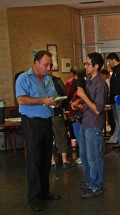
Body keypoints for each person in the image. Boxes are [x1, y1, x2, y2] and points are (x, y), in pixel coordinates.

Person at [15, 50, 61, 212]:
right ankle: (33, 197)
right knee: (34, 160)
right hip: (32, 123)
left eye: (50, 65)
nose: (48, 68)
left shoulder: (48, 80)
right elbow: (21, 99)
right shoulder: (24, 78)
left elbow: (53, 99)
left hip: (46, 122)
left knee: (46, 157)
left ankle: (44, 192)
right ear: (36, 62)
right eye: (46, 65)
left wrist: (56, 103)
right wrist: (42, 100)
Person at [71, 52, 108, 199]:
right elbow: (87, 98)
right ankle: (90, 181)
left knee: (94, 157)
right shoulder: (89, 80)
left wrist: (82, 96)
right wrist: (78, 101)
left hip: (94, 124)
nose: (85, 66)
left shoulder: (101, 85)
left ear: (96, 66)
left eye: (87, 64)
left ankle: (96, 186)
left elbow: (98, 109)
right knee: (85, 156)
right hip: (85, 122)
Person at [49, 72, 72, 169]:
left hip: (44, 115)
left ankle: (52, 162)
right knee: (61, 136)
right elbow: (65, 96)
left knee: (48, 139)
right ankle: (64, 161)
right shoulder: (57, 81)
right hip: (57, 113)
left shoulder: (38, 82)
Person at [67, 63, 86, 165]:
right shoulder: (87, 82)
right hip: (86, 113)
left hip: (76, 113)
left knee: (80, 137)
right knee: (85, 137)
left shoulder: (75, 83)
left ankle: (83, 158)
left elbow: (70, 97)